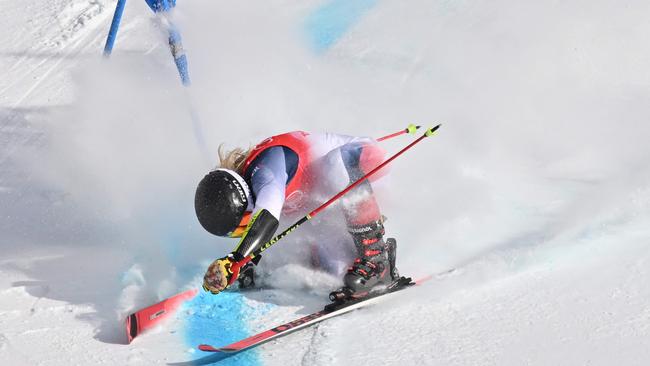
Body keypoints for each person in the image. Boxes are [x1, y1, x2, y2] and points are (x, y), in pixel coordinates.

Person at [194, 131, 400, 298]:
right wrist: (244, 266)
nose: (242, 231)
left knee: (334, 167)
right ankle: (333, 259)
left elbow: (265, 218)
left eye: (240, 226)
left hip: (362, 165)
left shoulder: (264, 169)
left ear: (242, 201)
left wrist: (236, 259)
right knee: (339, 272)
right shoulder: (261, 190)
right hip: (341, 205)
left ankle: (376, 259)